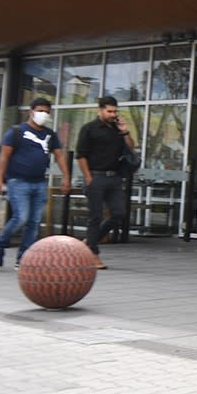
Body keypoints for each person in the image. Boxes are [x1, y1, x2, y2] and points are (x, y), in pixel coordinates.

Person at [0, 98, 72, 269]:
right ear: (31, 111)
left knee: (34, 222)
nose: (43, 115)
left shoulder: (50, 135)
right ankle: (0, 243)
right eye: (40, 111)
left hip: (39, 182)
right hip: (18, 181)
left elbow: (59, 156)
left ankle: (24, 259)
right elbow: (4, 157)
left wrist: (66, 177)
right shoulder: (16, 131)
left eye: (47, 112)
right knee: (21, 217)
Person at [76, 96, 136, 270]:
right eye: (109, 111)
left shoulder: (118, 129)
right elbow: (81, 155)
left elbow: (131, 148)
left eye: (115, 111)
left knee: (119, 213)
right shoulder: (89, 129)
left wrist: (125, 131)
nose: (112, 114)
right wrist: (88, 177)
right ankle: (93, 253)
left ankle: (89, 241)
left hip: (114, 177)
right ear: (100, 110)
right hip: (95, 176)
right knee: (96, 216)